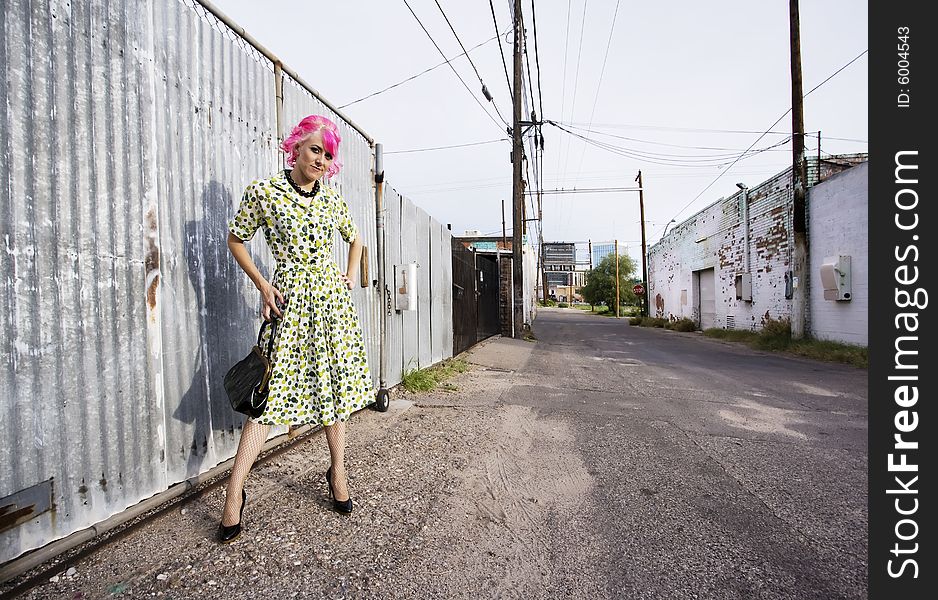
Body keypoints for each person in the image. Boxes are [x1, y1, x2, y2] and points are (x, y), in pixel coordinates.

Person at [218, 115, 373, 543]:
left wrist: (348, 272)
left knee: (334, 391)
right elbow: (236, 238)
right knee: (267, 398)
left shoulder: (333, 201)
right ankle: (234, 495)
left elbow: (355, 238)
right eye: (314, 150)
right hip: (287, 303)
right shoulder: (265, 192)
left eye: (328, 154)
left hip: (331, 308)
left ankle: (337, 471)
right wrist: (263, 283)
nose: (321, 159)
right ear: (295, 148)